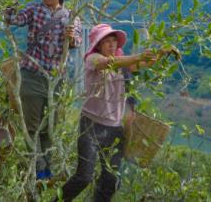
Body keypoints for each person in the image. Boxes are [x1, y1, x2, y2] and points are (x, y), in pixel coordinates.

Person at [58, 23, 171, 202]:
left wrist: (162, 52)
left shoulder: (123, 62)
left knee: (111, 179)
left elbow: (144, 63)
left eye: (114, 41)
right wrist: (137, 56)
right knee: (84, 177)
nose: (111, 45)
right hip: (91, 127)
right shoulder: (92, 59)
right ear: (99, 44)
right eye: (107, 41)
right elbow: (106, 63)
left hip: (115, 129)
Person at [4, 0, 83, 181]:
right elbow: (11, 18)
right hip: (31, 74)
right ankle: (38, 170)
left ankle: (47, 169)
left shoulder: (72, 16)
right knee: (31, 126)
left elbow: (77, 43)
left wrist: (71, 37)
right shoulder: (33, 10)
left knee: (50, 125)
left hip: (56, 80)